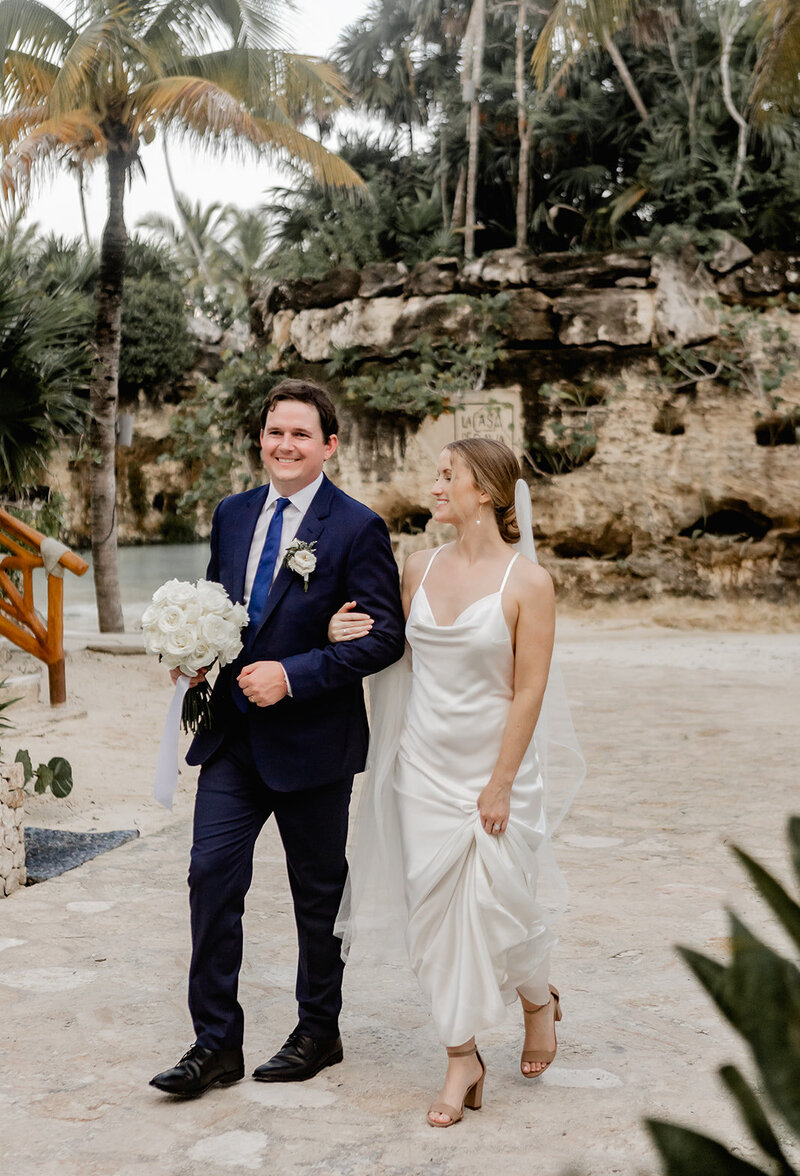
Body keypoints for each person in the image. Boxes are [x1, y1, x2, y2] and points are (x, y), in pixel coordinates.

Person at [151, 378, 406, 1097]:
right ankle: (214, 1045)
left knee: (317, 894)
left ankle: (319, 1030)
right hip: (232, 737)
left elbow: (385, 636)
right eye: (274, 432)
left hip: (313, 741)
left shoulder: (356, 527)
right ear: (260, 440)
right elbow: (219, 607)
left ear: (328, 445)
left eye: (300, 434)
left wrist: (294, 673)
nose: (284, 445)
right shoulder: (230, 515)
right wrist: (193, 653)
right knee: (210, 877)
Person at [330, 437, 582, 1127]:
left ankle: (537, 1002)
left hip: (496, 770)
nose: (435, 485)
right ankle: (460, 1056)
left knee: (503, 906)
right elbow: (391, 652)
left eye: (450, 476)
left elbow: (528, 689)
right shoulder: (417, 566)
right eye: (438, 474)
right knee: (436, 920)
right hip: (423, 770)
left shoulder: (529, 583)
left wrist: (500, 783)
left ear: (488, 494)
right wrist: (339, 629)